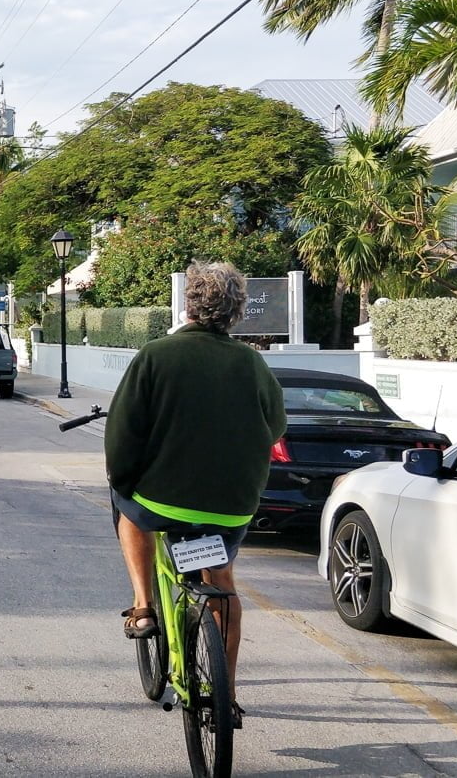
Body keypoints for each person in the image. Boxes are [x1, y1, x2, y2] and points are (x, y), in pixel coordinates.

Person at [103, 261, 286, 727]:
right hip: (231, 507)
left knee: (129, 513)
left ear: (189, 304)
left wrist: (122, 480)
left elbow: (123, 434)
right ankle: (226, 691)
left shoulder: (156, 355)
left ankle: (143, 605)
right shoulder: (251, 362)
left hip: (160, 501)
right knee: (222, 586)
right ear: (237, 311)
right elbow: (275, 427)